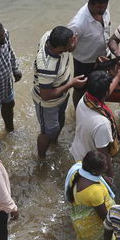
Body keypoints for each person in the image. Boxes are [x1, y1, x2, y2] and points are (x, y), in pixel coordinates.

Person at [33, 25, 86, 159]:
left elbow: (69, 46)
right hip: (47, 103)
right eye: (71, 43)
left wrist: (73, 40)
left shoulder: (50, 35)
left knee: (60, 122)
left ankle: (54, 144)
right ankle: (41, 159)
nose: (73, 44)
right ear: (61, 48)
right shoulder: (47, 66)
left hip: (61, 96)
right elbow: (46, 95)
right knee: (47, 132)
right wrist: (71, 84)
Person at [64, 151, 114, 240]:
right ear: (94, 172)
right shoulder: (94, 192)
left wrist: (103, 178)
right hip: (96, 229)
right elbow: (104, 217)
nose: (107, 168)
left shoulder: (78, 169)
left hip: (83, 227)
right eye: (104, 167)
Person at [70, 68, 120, 163]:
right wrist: (109, 176)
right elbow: (103, 157)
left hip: (78, 151)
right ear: (106, 93)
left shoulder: (85, 99)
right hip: (89, 164)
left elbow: (106, 92)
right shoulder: (102, 124)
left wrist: (118, 77)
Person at [67, 0, 112, 96]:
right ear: (90, 3)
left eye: (104, 7)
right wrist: (72, 46)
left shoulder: (104, 9)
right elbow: (67, 47)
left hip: (103, 56)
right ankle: (78, 111)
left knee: (101, 86)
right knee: (80, 89)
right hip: (84, 62)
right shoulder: (78, 24)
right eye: (98, 8)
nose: (102, 10)